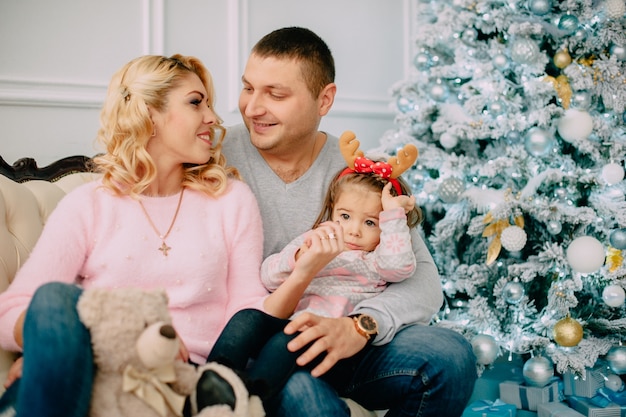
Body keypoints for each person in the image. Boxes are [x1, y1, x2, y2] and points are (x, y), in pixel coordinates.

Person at [0, 54, 335, 417]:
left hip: (190, 380)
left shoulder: (230, 201)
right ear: (148, 115)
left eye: (209, 104)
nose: (213, 118)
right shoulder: (89, 204)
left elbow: (247, 310)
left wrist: (301, 275)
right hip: (102, 363)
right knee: (52, 298)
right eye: (196, 103)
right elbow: (14, 312)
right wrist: (49, 347)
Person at [221, 26, 478, 417]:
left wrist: (359, 327)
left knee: (451, 355)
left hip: (348, 335)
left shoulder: (360, 176)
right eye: (248, 88)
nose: (253, 107)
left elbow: (424, 283)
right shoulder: (216, 154)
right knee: (312, 404)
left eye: (275, 94)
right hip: (272, 345)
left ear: (324, 99)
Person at [207, 145, 420, 404]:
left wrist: (394, 217)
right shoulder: (319, 238)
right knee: (247, 319)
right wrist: (299, 257)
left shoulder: (377, 259)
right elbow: (268, 276)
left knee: (285, 342)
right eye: (345, 216)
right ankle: (211, 382)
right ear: (333, 210)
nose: (353, 231)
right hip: (295, 322)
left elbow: (401, 267)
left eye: (370, 222)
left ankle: (251, 401)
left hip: (336, 344)